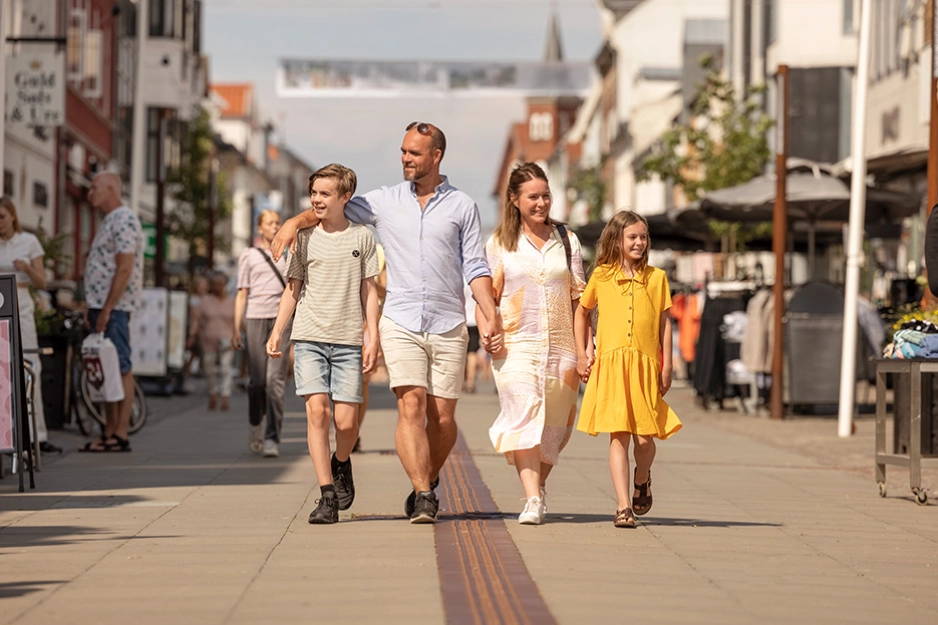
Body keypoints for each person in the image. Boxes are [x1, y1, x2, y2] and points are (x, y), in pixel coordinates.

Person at [272, 122, 502, 524]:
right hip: (401, 318)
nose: (405, 159)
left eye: (414, 152)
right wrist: (293, 222)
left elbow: (476, 264)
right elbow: (330, 207)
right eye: (403, 151)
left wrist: (489, 313)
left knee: (444, 420)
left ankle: (426, 477)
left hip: (448, 320)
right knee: (410, 405)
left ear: (436, 156)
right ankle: (424, 493)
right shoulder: (383, 200)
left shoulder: (463, 206)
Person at [267, 163, 379, 525]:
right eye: (313, 193)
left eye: (324, 193)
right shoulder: (304, 237)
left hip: (347, 339)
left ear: (345, 197)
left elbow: (370, 290)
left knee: (346, 425)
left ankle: (341, 462)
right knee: (318, 413)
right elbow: (293, 287)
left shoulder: (363, 237)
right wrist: (277, 330)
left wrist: (372, 334)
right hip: (310, 336)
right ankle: (326, 495)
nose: (316, 199)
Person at [483, 163, 587, 525]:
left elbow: (579, 299)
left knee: (554, 428)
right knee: (524, 415)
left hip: (562, 346)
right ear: (514, 200)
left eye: (545, 196)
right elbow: (486, 296)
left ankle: (537, 489)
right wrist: (487, 331)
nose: (541, 202)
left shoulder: (567, 241)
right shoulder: (499, 244)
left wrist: (585, 348)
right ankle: (531, 499)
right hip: (516, 344)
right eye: (533, 197)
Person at [574, 210, 682, 528]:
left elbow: (665, 324)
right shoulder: (602, 276)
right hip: (611, 365)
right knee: (618, 436)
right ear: (617, 240)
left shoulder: (657, 278)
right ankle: (623, 506)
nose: (639, 242)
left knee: (645, 440)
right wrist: (583, 353)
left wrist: (668, 365)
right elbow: (582, 313)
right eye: (632, 237)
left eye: (643, 237)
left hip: (646, 366)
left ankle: (642, 478)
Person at [78, 172, 144, 452]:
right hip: (102, 306)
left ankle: (119, 433)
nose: (90, 192)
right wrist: (90, 305)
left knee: (121, 367)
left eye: (94, 187)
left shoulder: (124, 219)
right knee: (106, 369)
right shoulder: (110, 220)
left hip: (114, 308)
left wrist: (106, 308)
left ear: (111, 189)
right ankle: (109, 432)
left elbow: (125, 267)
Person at [0, 197, 60, 454]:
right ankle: (7, 433)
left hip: (21, 302)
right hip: (0, 303)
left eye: (2, 217)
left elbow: (43, 282)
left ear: (13, 216)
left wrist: (26, 268)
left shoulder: (29, 242)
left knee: (28, 363)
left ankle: (37, 434)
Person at [232, 209, 290, 457]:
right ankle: (255, 423)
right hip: (254, 318)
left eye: (278, 222)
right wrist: (236, 328)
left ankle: (272, 438)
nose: (275, 226)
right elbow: (242, 292)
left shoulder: (289, 256)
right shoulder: (249, 255)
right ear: (260, 228)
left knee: (275, 382)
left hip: (280, 321)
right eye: (270, 223)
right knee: (257, 382)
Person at [354, 242, 387, 453]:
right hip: (341, 318)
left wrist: (370, 283)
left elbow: (386, 289)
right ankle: (346, 428)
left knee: (363, 381)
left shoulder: (379, 252)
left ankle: (354, 432)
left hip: (367, 322)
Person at [191, 272, 235, 411]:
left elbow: (238, 321)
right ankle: (212, 393)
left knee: (225, 368)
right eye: (214, 284)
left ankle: (225, 397)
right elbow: (197, 320)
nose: (217, 287)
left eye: (220, 284)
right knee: (209, 368)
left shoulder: (232, 302)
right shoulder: (205, 301)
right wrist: (193, 335)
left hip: (227, 339)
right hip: (208, 339)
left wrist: (238, 335)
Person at [184, 276, 208, 379]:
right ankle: (187, 369)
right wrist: (192, 333)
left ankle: (193, 369)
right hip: (195, 328)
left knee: (197, 351)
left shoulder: (206, 298)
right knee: (194, 350)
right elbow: (195, 318)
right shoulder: (193, 299)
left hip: (203, 328)